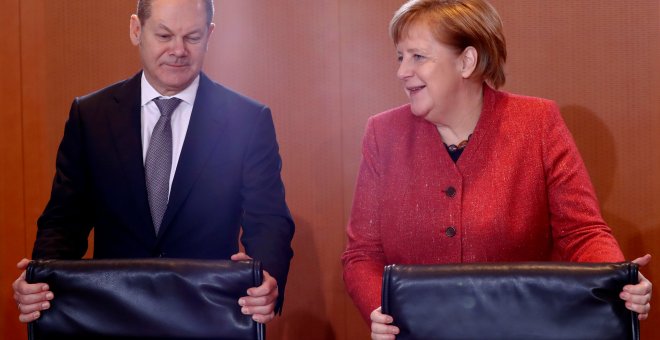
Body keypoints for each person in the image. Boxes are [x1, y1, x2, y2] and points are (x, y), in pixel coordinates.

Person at [340, 0, 652, 338]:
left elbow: (580, 232)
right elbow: (362, 254)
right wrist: (380, 311)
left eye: (417, 56)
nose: (402, 71)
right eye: (400, 57)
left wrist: (618, 279)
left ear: (467, 61)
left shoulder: (536, 123)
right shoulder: (383, 133)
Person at [12, 0, 294, 325]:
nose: (179, 50)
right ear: (136, 30)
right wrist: (40, 276)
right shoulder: (91, 116)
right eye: (164, 35)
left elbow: (269, 220)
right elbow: (64, 221)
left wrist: (266, 276)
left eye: (192, 37)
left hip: (211, 316)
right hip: (112, 317)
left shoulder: (247, 119)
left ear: (210, 36)